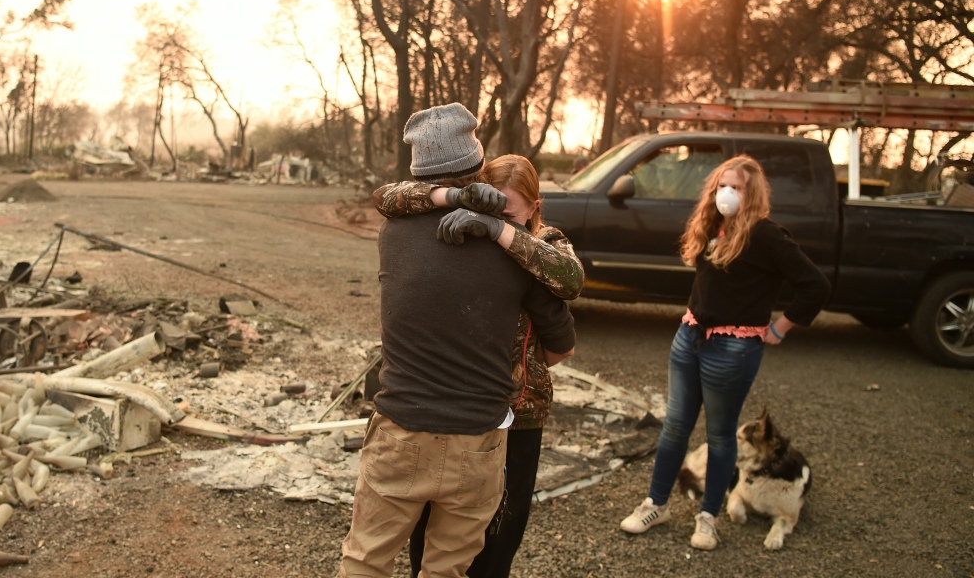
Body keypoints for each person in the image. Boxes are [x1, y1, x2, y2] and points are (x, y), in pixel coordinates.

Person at [337, 103, 577, 578]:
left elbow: (388, 196)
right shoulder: (514, 247)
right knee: (447, 570)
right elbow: (563, 323)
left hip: (401, 425)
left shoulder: (393, 232)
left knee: (365, 560)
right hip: (480, 437)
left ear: (419, 168)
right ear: (478, 163)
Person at [619, 155, 830, 550]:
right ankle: (656, 503)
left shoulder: (767, 235)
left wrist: (780, 329)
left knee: (719, 436)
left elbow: (815, 285)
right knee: (675, 427)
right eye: (722, 185)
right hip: (689, 338)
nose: (727, 193)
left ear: (753, 195)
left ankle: (707, 518)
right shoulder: (711, 225)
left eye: (738, 187)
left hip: (733, 349)